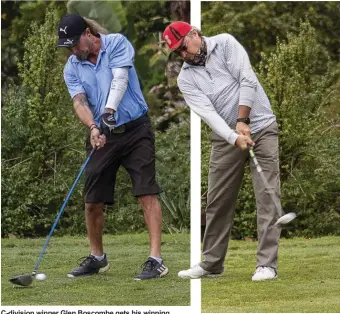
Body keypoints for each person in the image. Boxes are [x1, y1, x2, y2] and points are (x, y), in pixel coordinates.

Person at [163, 21, 281, 281]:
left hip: (262, 126)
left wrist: (243, 121)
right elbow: (208, 114)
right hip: (226, 138)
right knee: (217, 200)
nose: (184, 55)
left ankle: (267, 265)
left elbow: (247, 79)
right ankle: (212, 264)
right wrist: (233, 136)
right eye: (178, 53)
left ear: (194, 34)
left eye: (183, 47)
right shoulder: (186, 78)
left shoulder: (226, 43)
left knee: (267, 195)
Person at [57, 13, 168, 280]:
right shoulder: (72, 66)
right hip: (102, 135)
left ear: (88, 33)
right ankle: (97, 258)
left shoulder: (116, 43)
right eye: (68, 46)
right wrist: (94, 127)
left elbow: (120, 79)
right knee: (92, 200)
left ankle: (156, 260)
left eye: (75, 43)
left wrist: (108, 110)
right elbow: (79, 103)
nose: (73, 50)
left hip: (135, 130)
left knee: (146, 193)